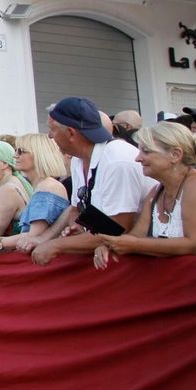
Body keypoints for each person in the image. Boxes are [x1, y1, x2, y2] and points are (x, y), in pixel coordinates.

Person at [26, 97, 156, 266]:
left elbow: (116, 229)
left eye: (52, 130)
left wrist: (56, 244)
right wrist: (76, 228)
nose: (50, 136)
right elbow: (76, 210)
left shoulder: (117, 161)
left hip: (146, 261)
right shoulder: (78, 160)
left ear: (71, 133)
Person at [97, 122, 196, 268]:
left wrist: (135, 245)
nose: (138, 158)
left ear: (175, 155)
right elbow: (135, 235)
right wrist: (110, 245)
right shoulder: (157, 192)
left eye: (146, 151)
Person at [0, 133, 68, 252]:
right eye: (15, 150)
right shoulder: (42, 185)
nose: (15, 155)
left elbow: (33, 237)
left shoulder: (47, 186)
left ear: (37, 154)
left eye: (21, 151)